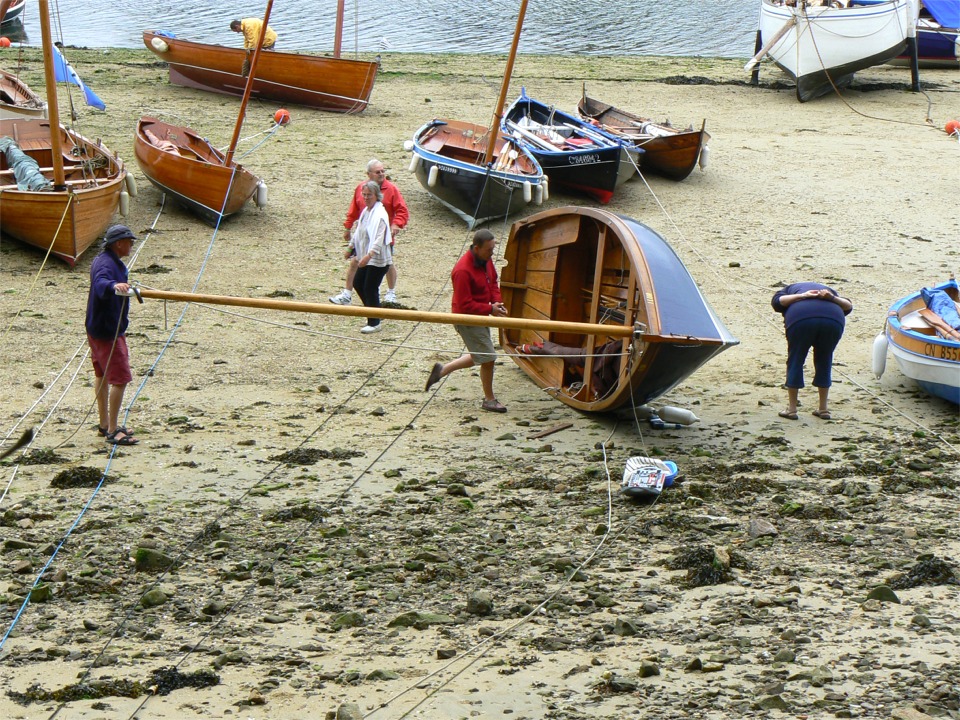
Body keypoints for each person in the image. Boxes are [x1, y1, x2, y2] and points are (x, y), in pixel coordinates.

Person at [424, 230, 509, 413]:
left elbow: (493, 281)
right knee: (488, 358)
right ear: (476, 248)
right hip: (467, 318)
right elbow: (465, 304)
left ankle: (442, 370)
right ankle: (489, 400)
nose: (492, 253)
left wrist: (496, 301)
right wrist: (490, 309)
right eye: (489, 250)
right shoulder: (462, 270)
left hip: (480, 314)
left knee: (482, 352)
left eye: (493, 249)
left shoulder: (485, 259)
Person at [86, 225, 140, 446]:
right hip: (107, 332)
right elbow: (100, 283)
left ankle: (104, 423)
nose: (132, 244)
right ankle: (113, 430)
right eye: (129, 241)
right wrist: (113, 285)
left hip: (97, 328)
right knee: (120, 378)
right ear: (119, 243)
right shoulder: (106, 264)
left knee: (102, 373)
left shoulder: (107, 260)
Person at [330, 159, 409, 306]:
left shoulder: (391, 190)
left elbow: (402, 210)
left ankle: (390, 293)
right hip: (363, 236)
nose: (382, 174)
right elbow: (354, 210)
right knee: (355, 262)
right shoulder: (362, 189)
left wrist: (396, 224)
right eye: (378, 172)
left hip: (384, 237)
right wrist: (348, 227)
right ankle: (347, 293)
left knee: (387, 264)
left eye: (383, 171)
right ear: (369, 174)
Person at [772, 282, 853, 421]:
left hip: (800, 320)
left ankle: (792, 409)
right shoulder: (829, 291)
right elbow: (848, 306)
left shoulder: (788, 291)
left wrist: (802, 296)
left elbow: (778, 302)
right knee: (825, 360)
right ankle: (823, 409)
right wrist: (831, 298)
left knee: (795, 360)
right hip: (833, 321)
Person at [348, 180, 393, 334]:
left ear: (376, 196)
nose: (366, 198)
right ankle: (375, 312)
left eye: (369, 195)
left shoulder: (380, 214)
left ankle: (374, 321)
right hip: (365, 255)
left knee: (369, 287)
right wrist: (350, 248)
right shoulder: (366, 212)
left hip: (378, 259)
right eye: (364, 195)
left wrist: (369, 255)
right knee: (358, 283)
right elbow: (359, 232)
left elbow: (379, 238)